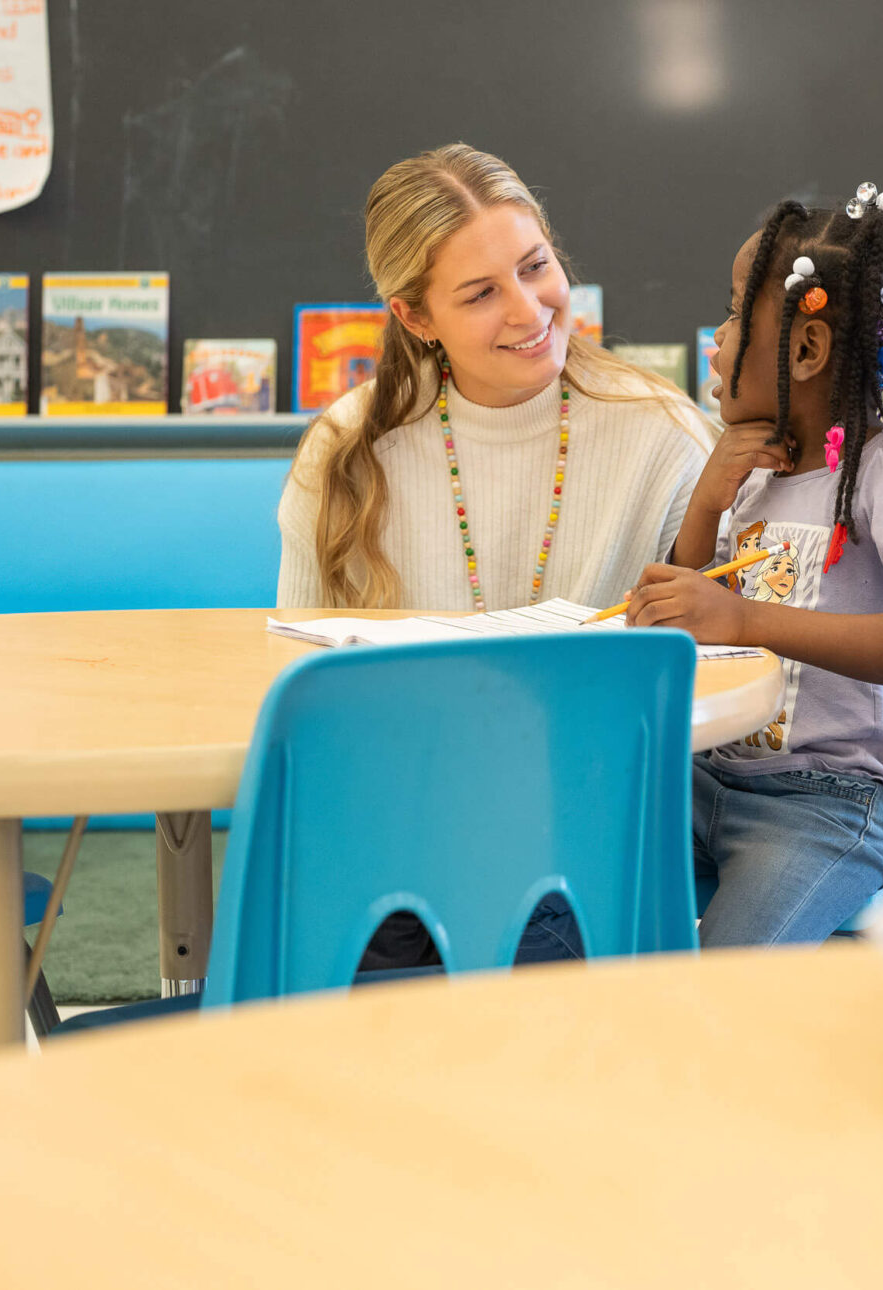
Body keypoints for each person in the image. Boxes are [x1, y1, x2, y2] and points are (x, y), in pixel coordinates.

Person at [279, 143, 713, 969]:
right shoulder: (344, 451)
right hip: (391, 831)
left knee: (499, 995)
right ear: (414, 317)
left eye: (536, 266)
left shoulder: (660, 434)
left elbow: (709, 672)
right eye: (480, 293)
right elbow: (291, 679)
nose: (529, 310)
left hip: (578, 835)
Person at [627, 186, 883, 947]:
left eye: (730, 314)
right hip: (706, 779)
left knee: (726, 979)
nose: (714, 340)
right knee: (581, 869)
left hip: (832, 803)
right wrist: (705, 508)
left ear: (807, 350)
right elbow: (690, 615)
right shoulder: (755, 463)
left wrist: (747, 619)